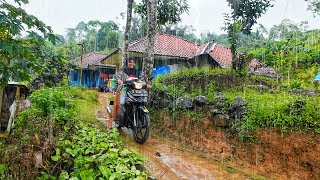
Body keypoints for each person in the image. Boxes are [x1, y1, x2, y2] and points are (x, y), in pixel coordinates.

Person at [111, 57, 139, 128]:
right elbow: (117, 77)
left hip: (133, 91)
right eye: (130, 62)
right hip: (123, 90)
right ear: (127, 63)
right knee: (120, 105)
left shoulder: (136, 72)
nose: (131, 63)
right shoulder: (122, 70)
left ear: (134, 63)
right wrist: (119, 81)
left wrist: (146, 84)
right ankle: (114, 119)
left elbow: (140, 79)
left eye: (133, 62)